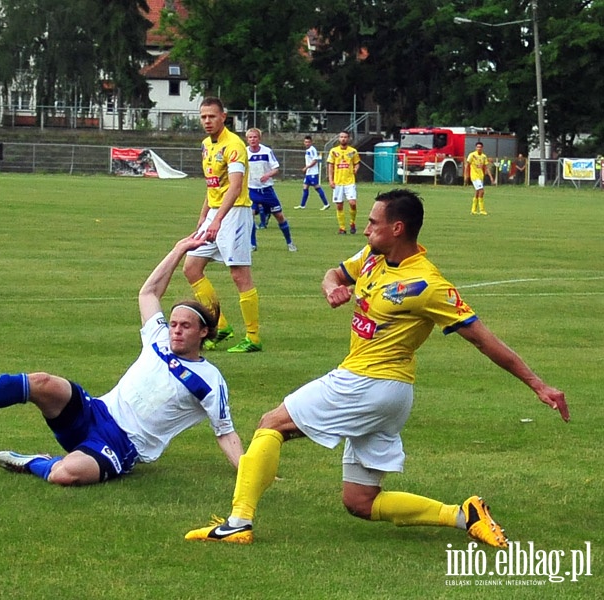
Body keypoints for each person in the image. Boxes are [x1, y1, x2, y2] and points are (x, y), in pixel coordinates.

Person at [185, 188, 569, 548]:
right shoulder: (373, 254)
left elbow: (484, 339)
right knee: (360, 502)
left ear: (397, 228)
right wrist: (331, 287)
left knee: (272, 424)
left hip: (367, 382)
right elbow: (334, 274)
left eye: (372, 222)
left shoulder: (427, 284)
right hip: (392, 394)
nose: (366, 228)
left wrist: (539, 385)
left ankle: (238, 523)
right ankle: (462, 515)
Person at [0, 234, 243, 486]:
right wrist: (178, 249)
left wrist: (247, 471)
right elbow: (148, 293)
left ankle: (34, 462)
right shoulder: (157, 339)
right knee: (43, 383)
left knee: (66, 474)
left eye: (184, 327)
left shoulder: (210, 381)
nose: (175, 331)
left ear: (203, 333)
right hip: (94, 412)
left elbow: (225, 432)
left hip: (122, 446)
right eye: (173, 324)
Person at [184, 97, 262, 353]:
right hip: (215, 213)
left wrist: (217, 220)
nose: (207, 121)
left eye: (212, 116)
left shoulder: (234, 145)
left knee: (240, 275)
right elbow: (213, 185)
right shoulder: (206, 145)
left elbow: (236, 186)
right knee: (191, 268)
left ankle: (253, 337)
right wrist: (203, 218)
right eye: (203, 117)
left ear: (223, 117)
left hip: (236, 213)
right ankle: (220, 326)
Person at [245, 128, 297, 252]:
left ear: (259, 138)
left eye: (255, 137)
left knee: (279, 216)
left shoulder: (266, 151)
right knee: (249, 216)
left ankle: (290, 242)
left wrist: (267, 175)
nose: (253, 139)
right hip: (252, 190)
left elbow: (276, 168)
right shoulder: (244, 152)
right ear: (247, 139)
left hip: (266, 190)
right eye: (250, 137)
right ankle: (253, 244)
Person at [327, 131, 360, 234]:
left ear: (348, 138)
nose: (343, 139)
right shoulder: (333, 151)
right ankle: (342, 228)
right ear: (338, 138)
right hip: (338, 182)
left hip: (350, 181)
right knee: (339, 205)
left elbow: (357, 163)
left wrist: (356, 169)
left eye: (345, 137)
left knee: (352, 203)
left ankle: (352, 222)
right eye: (341, 137)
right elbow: (330, 166)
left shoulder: (353, 151)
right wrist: (331, 180)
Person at [296, 135, 329, 210]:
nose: (307, 143)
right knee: (305, 187)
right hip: (309, 173)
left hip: (313, 173)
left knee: (317, 187)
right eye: (305, 142)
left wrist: (306, 167)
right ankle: (302, 205)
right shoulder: (308, 150)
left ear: (311, 142)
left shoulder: (312, 149)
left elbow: (314, 160)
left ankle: (326, 204)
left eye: (308, 142)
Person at [465, 141, 496, 215]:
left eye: (480, 147)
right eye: (477, 147)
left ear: (482, 148)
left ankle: (473, 210)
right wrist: (466, 176)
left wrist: (491, 177)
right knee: (482, 191)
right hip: (474, 176)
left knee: (477, 192)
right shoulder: (472, 155)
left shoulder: (484, 156)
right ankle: (482, 210)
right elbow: (467, 165)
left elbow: (486, 168)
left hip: (480, 176)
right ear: (475, 148)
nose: (479, 148)